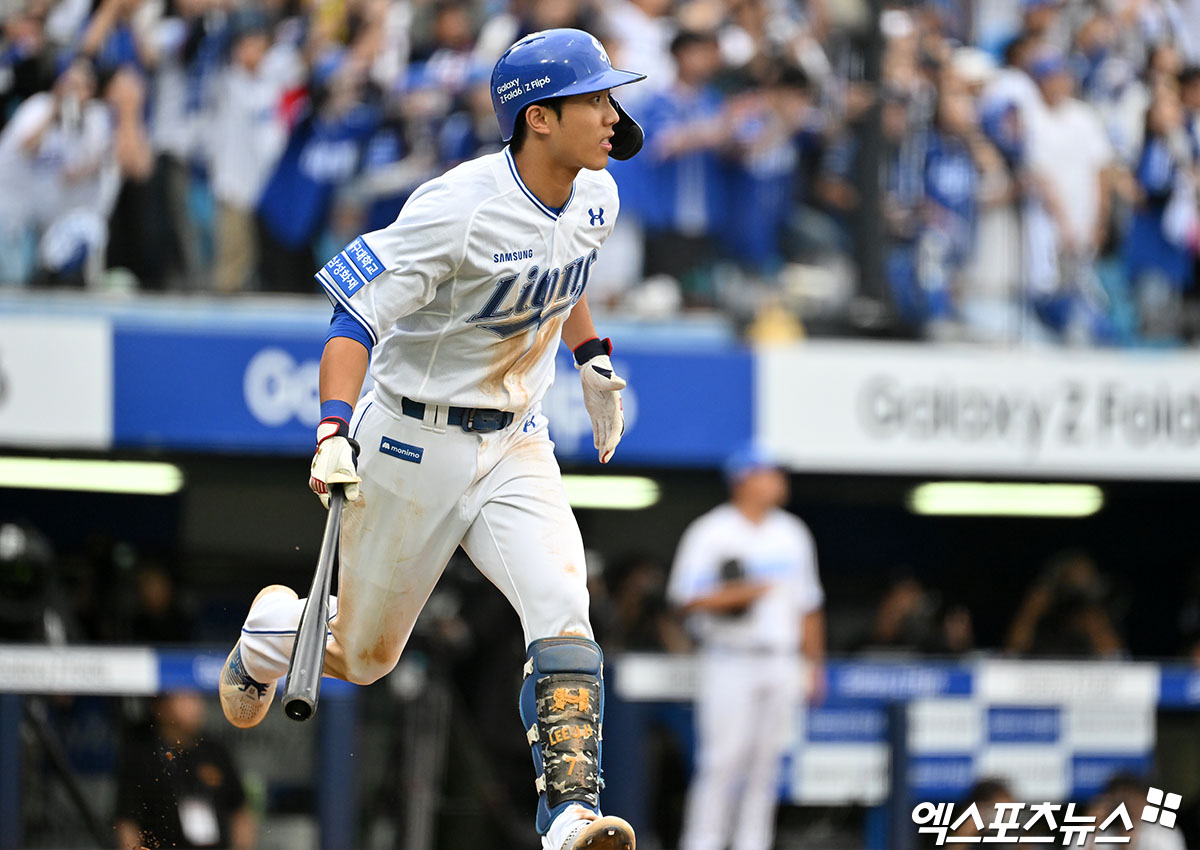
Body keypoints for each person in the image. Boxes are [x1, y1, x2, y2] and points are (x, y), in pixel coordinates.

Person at [218, 28, 644, 850]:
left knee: (564, 612)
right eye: (593, 98)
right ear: (539, 118)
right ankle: (276, 631)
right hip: (414, 437)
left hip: (517, 440)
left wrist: (589, 355)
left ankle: (569, 816)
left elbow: (567, 270)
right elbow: (353, 315)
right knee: (365, 656)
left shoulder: (598, 193)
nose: (610, 113)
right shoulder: (459, 205)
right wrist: (331, 431)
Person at [667, 445, 825, 850]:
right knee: (721, 762)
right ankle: (702, 844)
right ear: (745, 480)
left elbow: (810, 607)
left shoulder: (793, 532)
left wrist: (814, 667)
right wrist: (738, 594)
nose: (779, 482)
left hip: (780, 660)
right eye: (770, 474)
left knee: (765, 766)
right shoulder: (711, 531)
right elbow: (683, 598)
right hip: (730, 658)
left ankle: (752, 844)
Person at [114, 691, 256, 850]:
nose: (196, 705)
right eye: (186, 697)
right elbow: (127, 822)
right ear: (160, 706)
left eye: (197, 697)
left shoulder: (215, 751)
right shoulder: (142, 755)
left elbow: (240, 812)